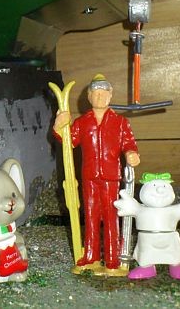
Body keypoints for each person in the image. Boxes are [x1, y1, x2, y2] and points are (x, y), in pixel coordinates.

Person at [52, 74, 140, 276]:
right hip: (90, 176)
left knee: (111, 217)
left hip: (111, 176)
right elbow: (69, 141)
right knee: (91, 216)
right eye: (95, 93)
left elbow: (128, 142)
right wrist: (58, 126)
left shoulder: (120, 122)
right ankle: (90, 256)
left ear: (110, 95)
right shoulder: (83, 122)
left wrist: (131, 153)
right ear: (89, 97)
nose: (99, 97)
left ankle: (112, 259)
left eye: (103, 93)